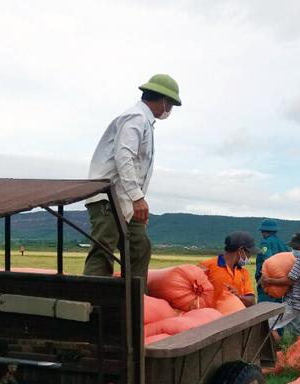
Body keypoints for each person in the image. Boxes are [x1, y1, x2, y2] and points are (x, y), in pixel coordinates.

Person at [83, 74, 181, 284]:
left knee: (139, 247)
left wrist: (136, 201)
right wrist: (137, 197)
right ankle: (92, 305)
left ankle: (134, 303)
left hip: (126, 201)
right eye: (170, 104)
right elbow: (124, 157)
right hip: (108, 198)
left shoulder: (145, 122)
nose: (169, 109)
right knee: (104, 250)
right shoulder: (135, 118)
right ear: (163, 100)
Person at [260, 232, 300, 338]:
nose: (294, 250)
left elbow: (289, 281)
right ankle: (299, 350)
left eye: (297, 247)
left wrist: (268, 280)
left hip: (294, 301)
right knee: (295, 329)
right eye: (293, 247)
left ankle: (278, 350)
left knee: (270, 324)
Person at [200, 231, 257, 307]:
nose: (249, 257)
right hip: (211, 317)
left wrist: (238, 297)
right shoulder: (207, 266)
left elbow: (252, 301)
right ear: (241, 250)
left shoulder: (243, 272)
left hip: (238, 317)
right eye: (249, 253)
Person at [255, 219, 289, 303]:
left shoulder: (265, 243)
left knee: (264, 309)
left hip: (268, 282)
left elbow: (269, 261)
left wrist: (263, 278)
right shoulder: (282, 244)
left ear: (263, 231)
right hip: (281, 282)